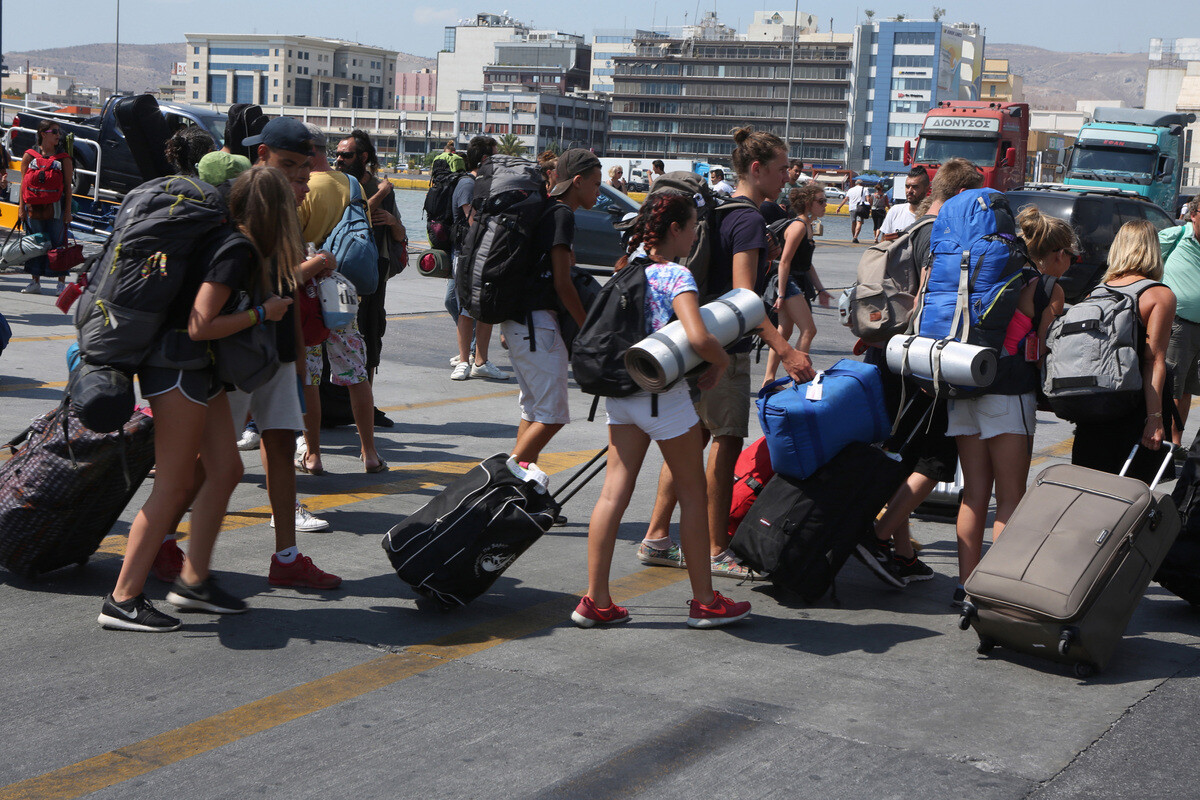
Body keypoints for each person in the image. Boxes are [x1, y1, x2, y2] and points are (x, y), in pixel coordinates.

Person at [97, 169, 294, 631]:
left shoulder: (232, 241)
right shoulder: (236, 250)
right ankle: (122, 599)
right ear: (274, 212)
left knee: (226, 469)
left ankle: (194, 582)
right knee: (173, 484)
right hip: (177, 367)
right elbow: (200, 324)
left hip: (196, 370)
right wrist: (263, 312)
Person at [638, 127, 815, 580]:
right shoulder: (750, 220)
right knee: (727, 441)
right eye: (780, 170)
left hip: (694, 344)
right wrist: (786, 350)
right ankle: (716, 548)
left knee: (692, 440)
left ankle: (657, 536)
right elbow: (744, 298)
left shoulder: (720, 211)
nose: (787, 178)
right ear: (756, 169)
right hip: (725, 351)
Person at [572, 192, 751, 629]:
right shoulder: (675, 274)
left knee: (613, 494)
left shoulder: (628, 266)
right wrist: (720, 362)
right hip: (663, 396)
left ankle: (596, 600)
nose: (694, 236)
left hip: (621, 394)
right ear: (675, 229)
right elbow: (699, 336)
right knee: (692, 495)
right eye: (691, 228)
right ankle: (705, 602)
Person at [857, 158, 983, 588]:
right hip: (919, 362)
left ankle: (903, 553)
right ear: (962, 195)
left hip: (891, 354)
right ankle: (877, 536)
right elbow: (928, 297)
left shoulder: (913, 228)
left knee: (901, 455)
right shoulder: (940, 233)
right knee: (933, 459)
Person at [237, 117, 344, 584]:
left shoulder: (288, 212)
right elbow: (268, 284)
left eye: (304, 169)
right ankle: (166, 548)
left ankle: (286, 558)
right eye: (289, 166)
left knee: (280, 447)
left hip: (277, 350)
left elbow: (285, 290)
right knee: (214, 463)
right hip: (240, 352)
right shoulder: (243, 209)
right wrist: (314, 265)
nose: (299, 179)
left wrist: (299, 359)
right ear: (262, 156)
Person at [948, 204, 1070, 598]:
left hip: (965, 384)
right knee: (1010, 499)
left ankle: (965, 586)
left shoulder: (986, 272)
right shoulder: (1047, 289)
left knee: (974, 495)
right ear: (1056, 254)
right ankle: (994, 593)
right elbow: (1048, 349)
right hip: (1009, 395)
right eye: (1070, 253)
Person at [295, 124, 386, 476]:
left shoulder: (301, 188)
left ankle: (314, 454)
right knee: (355, 371)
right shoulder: (351, 183)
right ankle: (370, 453)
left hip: (308, 288)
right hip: (341, 289)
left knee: (310, 376)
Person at [503, 148, 594, 466]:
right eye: (596, 184)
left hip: (520, 323)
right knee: (553, 416)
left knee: (533, 411)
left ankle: (522, 486)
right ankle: (506, 477)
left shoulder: (543, 208)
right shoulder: (561, 214)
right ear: (578, 181)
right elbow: (562, 283)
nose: (599, 192)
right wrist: (587, 328)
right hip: (537, 326)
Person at [1072, 220, 1176, 480]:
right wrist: (1155, 418)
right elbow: (1153, 360)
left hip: (1095, 408)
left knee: (1088, 488)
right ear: (1153, 250)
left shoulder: (1095, 292)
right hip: (1134, 408)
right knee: (1131, 493)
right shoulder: (1158, 295)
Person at [336, 130, 406, 401]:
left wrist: (392, 221)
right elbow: (352, 216)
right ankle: (337, 404)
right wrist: (381, 193)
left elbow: (400, 236)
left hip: (373, 275)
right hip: (339, 273)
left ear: (363, 157)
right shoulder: (338, 185)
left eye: (346, 155)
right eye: (337, 154)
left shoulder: (381, 189)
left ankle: (366, 403)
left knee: (371, 335)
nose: (339, 159)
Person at [450, 136, 507, 382]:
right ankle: (465, 360)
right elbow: (472, 221)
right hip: (468, 254)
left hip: (483, 253)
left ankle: (479, 360)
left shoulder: (484, 184)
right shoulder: (468, 184)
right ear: (484, 159)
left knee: (484, 306)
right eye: (494, 156)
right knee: (465, 307)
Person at [761, 182, 826, 387]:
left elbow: (807, 264)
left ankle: (769, 381)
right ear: (808, 203)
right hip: (786, 281)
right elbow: (784, 261)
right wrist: (781, 294)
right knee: (808, 329)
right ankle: (799, 379)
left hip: (795, 280)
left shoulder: (808, 226)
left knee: (784, 331)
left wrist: (821, 289)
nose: (825, 205)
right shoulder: (798, 226)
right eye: (821, 201)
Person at [17, 119, 72, 295]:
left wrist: (68, 211)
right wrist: (21, 208)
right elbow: (23, 184)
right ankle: (35, 282)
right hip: (33, 209)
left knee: (58, 244)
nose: (58, 135)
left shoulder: (64, 158)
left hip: (57, 208)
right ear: (43, 134)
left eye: (58, 132)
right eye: (54, 132)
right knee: (35, 244)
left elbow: (68, 188)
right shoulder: (29, 155)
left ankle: (60, 284)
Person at [1162, 197, 1200, 445]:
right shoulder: (1174, 237)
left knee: (1187, 390)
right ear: (1193, 214)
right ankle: (1162, 443)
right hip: (1178, 326)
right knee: (1172, 389)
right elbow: (1143, 264)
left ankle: (1175, 444)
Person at [879, 167, 930, 242]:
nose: (909, 191)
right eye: (907, 186)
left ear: (927, 189)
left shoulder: (932, 216)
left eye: (915, 187)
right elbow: (883, 242)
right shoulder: (895, 211)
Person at [835, 178, 871, 244]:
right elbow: (868, 198)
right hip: (860, 207)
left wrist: (839, 207)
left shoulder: (850, 190)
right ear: (861, 183)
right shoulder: (865, 189)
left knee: (853, 222)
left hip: (852, 208)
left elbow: (846, 199)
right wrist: (869, 207)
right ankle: (855, 236)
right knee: (859, 222)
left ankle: (854, 237)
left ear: (855, 184)